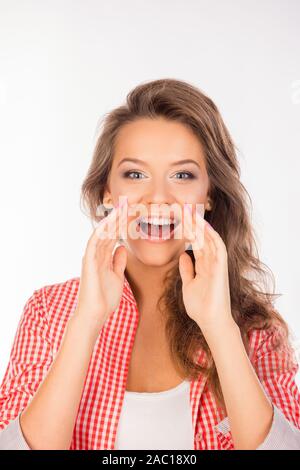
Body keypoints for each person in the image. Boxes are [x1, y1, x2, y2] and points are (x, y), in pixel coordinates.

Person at [0, 78, 300, 450]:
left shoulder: (257, 330)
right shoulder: (48, 313)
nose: (158, 197)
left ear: (209, 195)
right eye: (135, 174)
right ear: (107, 190)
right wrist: (87, 319)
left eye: (183, 175)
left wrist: (219, 325)